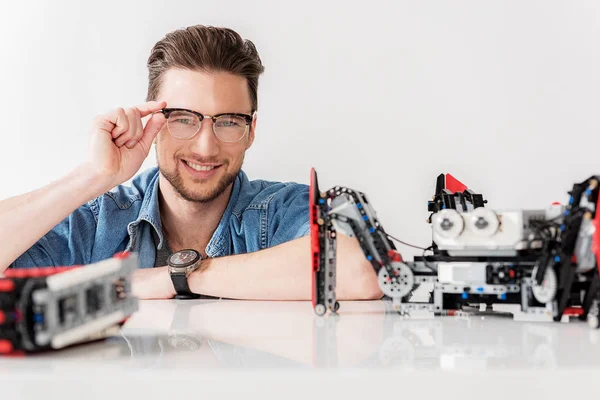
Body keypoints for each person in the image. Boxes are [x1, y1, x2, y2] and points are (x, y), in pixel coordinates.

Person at [0, 25, 382, 301]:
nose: (205, 146)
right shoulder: (99, 222)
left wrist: (172, 278)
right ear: (152, 122)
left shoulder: (280, 211)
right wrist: (92, 176)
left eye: (229, 121)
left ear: (251, 130)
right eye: (184, 118)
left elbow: (359, 270)